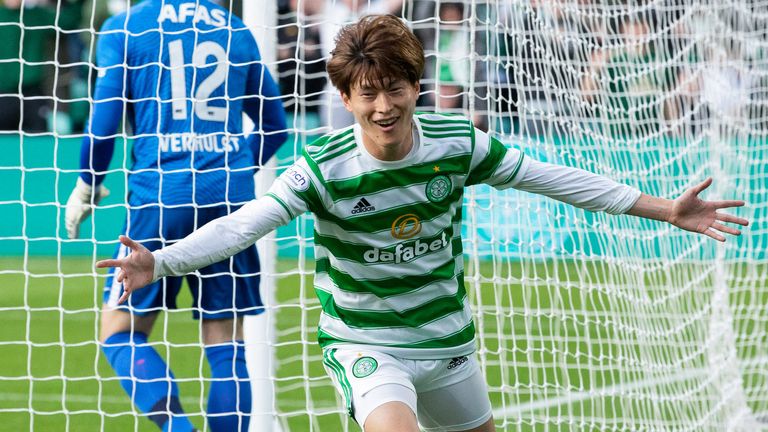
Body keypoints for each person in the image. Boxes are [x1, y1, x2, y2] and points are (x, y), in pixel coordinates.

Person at [96, 15, 748, 432]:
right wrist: (162, 261)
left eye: (395, 88)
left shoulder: (455, 142)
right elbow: (243, 226)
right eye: (367, 93)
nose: (384, 106)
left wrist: (665, 208)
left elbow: (554, 179)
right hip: (365, 345)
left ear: (416, 85)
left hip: (449, 344)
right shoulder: (323, 168)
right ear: (345, 97)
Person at [65, 0, 288, 430]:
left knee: (119, 333)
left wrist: (88, 183)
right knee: (227, 344)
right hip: (230, 199)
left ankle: (176, 427)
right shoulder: (233, 27)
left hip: (159, 198)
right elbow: (275, 124)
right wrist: (236, 170)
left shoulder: (125, 26)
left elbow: (103, 120)